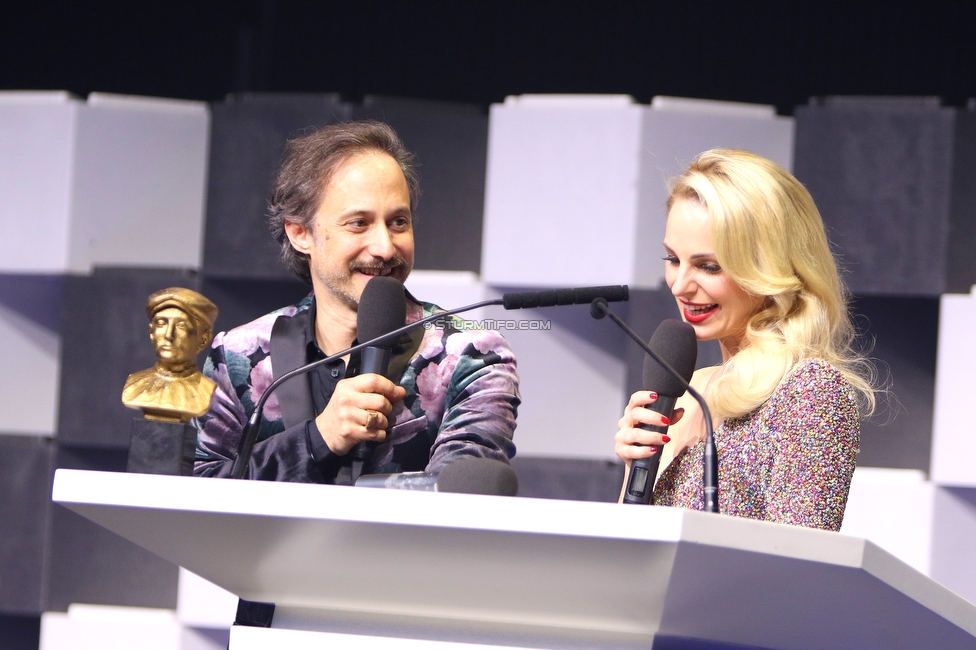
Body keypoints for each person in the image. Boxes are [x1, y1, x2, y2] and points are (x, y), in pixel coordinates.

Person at [194, 121, 519, 482]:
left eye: (398, 222)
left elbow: (457, 504)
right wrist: (319, 439)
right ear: (300, 233)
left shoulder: (471, 357)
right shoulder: (237, 356)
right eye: (359, 223)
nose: (384, 247)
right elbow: (195, 496)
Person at [614, 149, 875, 531]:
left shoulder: (811, 391)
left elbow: (798, 563)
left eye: (708, 266)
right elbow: (629, 554)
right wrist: (633, 472)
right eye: (672, 259)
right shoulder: (688, 391)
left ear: (770, 268)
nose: (680, 285)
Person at [122, 287, 218, 423]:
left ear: (203, 339)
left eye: (181, 325)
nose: (169, 335)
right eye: (161, 323)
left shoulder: (205, 390)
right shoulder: (134, 384)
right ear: (151, 332)